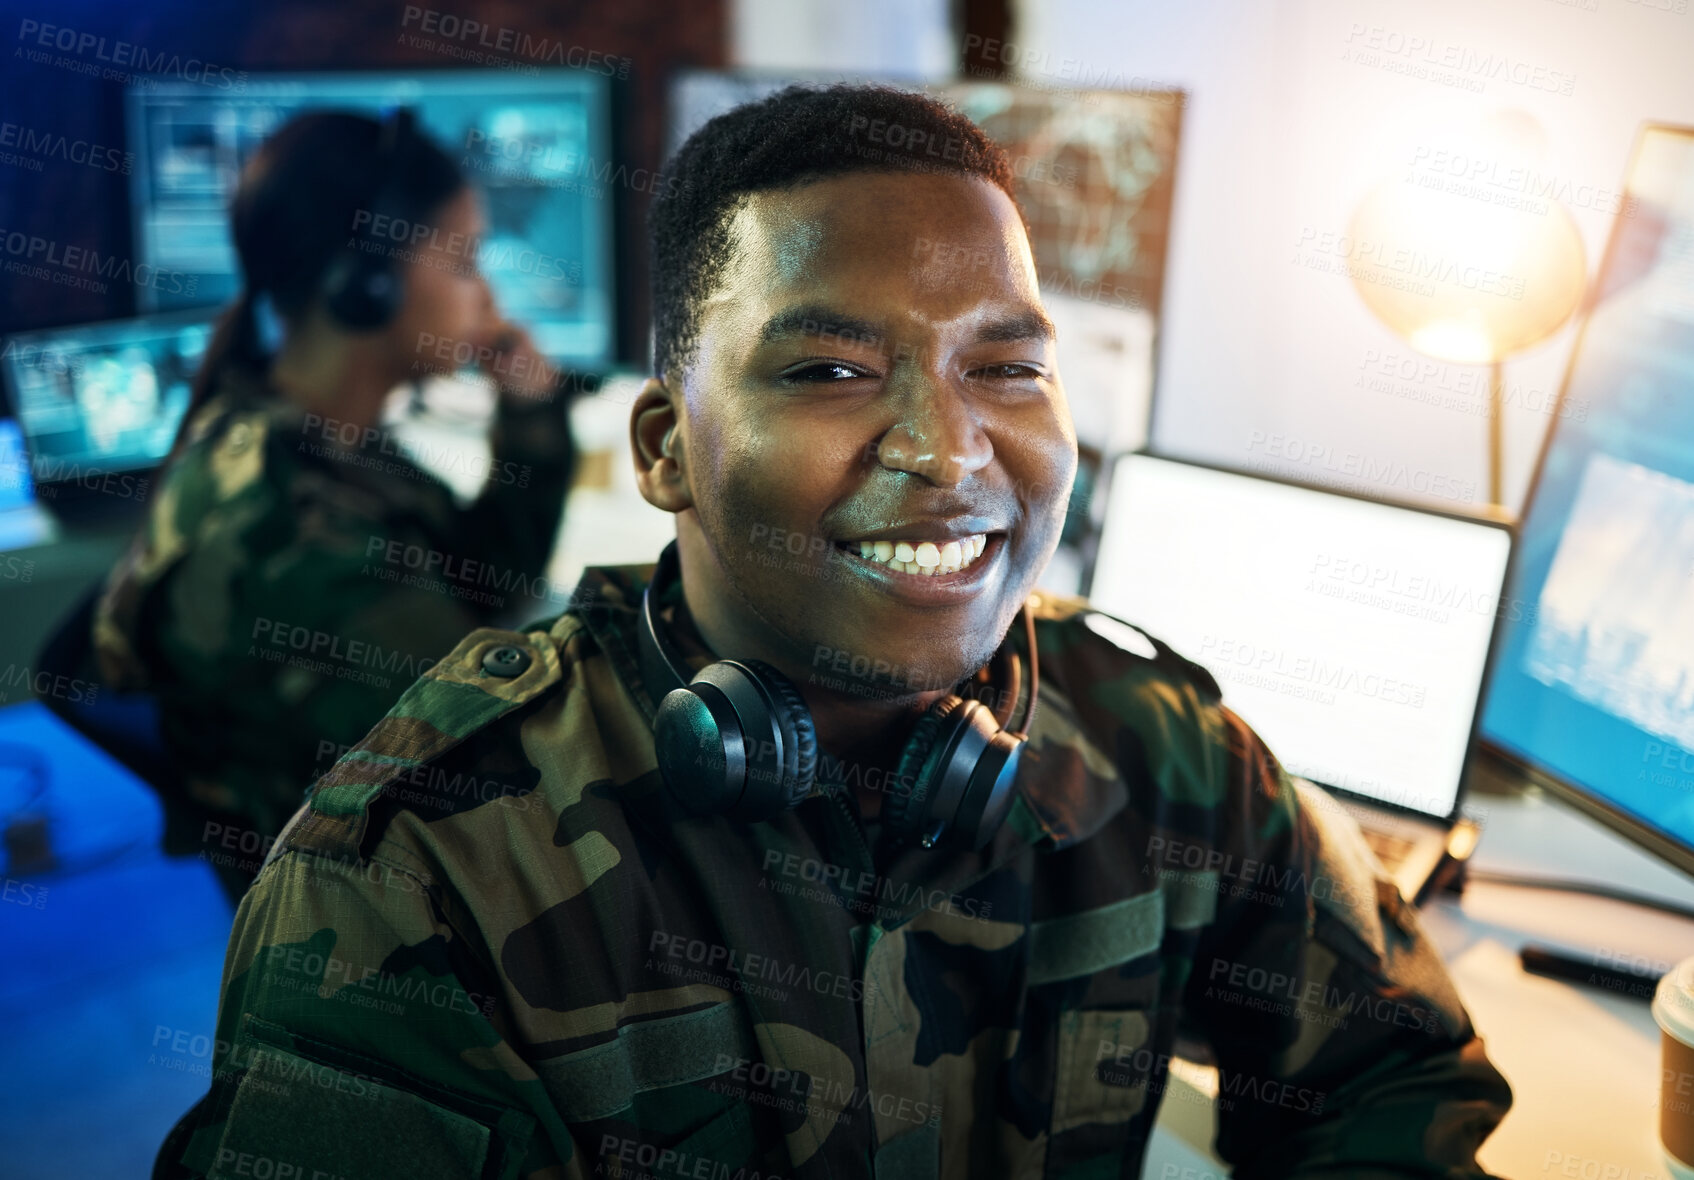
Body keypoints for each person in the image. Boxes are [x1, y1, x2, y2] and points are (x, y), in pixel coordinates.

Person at [155, 85, 1511, 1178]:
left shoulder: (1160, 752)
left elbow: (1392, 1079)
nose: (949, 447)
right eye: (829, 371)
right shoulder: (414, 870)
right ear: (666, 448)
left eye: (1007, 366)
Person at [92, 109, 578, 894]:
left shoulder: (311, 434)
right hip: (364, 906)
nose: (487, 297)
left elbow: (486, 581)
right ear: (367, 286)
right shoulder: (298, 534)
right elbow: (496, 773)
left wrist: (529, 413)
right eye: (465, 263)